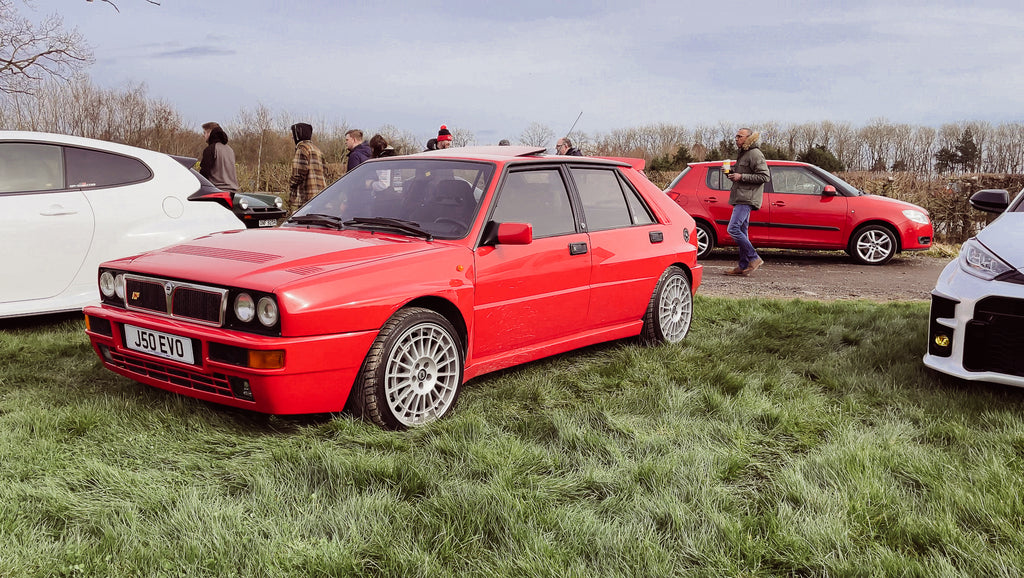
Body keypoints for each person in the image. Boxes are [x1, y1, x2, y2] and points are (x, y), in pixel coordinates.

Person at [723, 128, 770, 276]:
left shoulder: (755, 154)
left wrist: (741, 176)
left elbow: (764, 176)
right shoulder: (743, 154)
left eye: (740, 136)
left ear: (749, 138)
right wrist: (731, 174)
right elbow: (742, 175)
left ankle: (754, 258)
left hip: (747, 198)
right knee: (742, 231)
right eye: (736, 136)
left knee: (733, 229)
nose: (736, 139)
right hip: (740, 197)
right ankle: (743, 266)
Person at [288, 122, 328, 211]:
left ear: (298, 134)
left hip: (305, 197)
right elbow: (325, 171)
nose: (292, 137)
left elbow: (298, 174)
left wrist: (291, 184)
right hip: (320, 196)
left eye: (293, 134)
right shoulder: (318, 150)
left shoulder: (302, 149)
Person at [198, 122, 240, 193]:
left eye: (204, 133)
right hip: (232, 191)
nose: (203, 135)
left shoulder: (211, 149)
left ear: (210, 133)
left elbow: (204, 172)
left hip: (217, 191)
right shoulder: (230, 149)